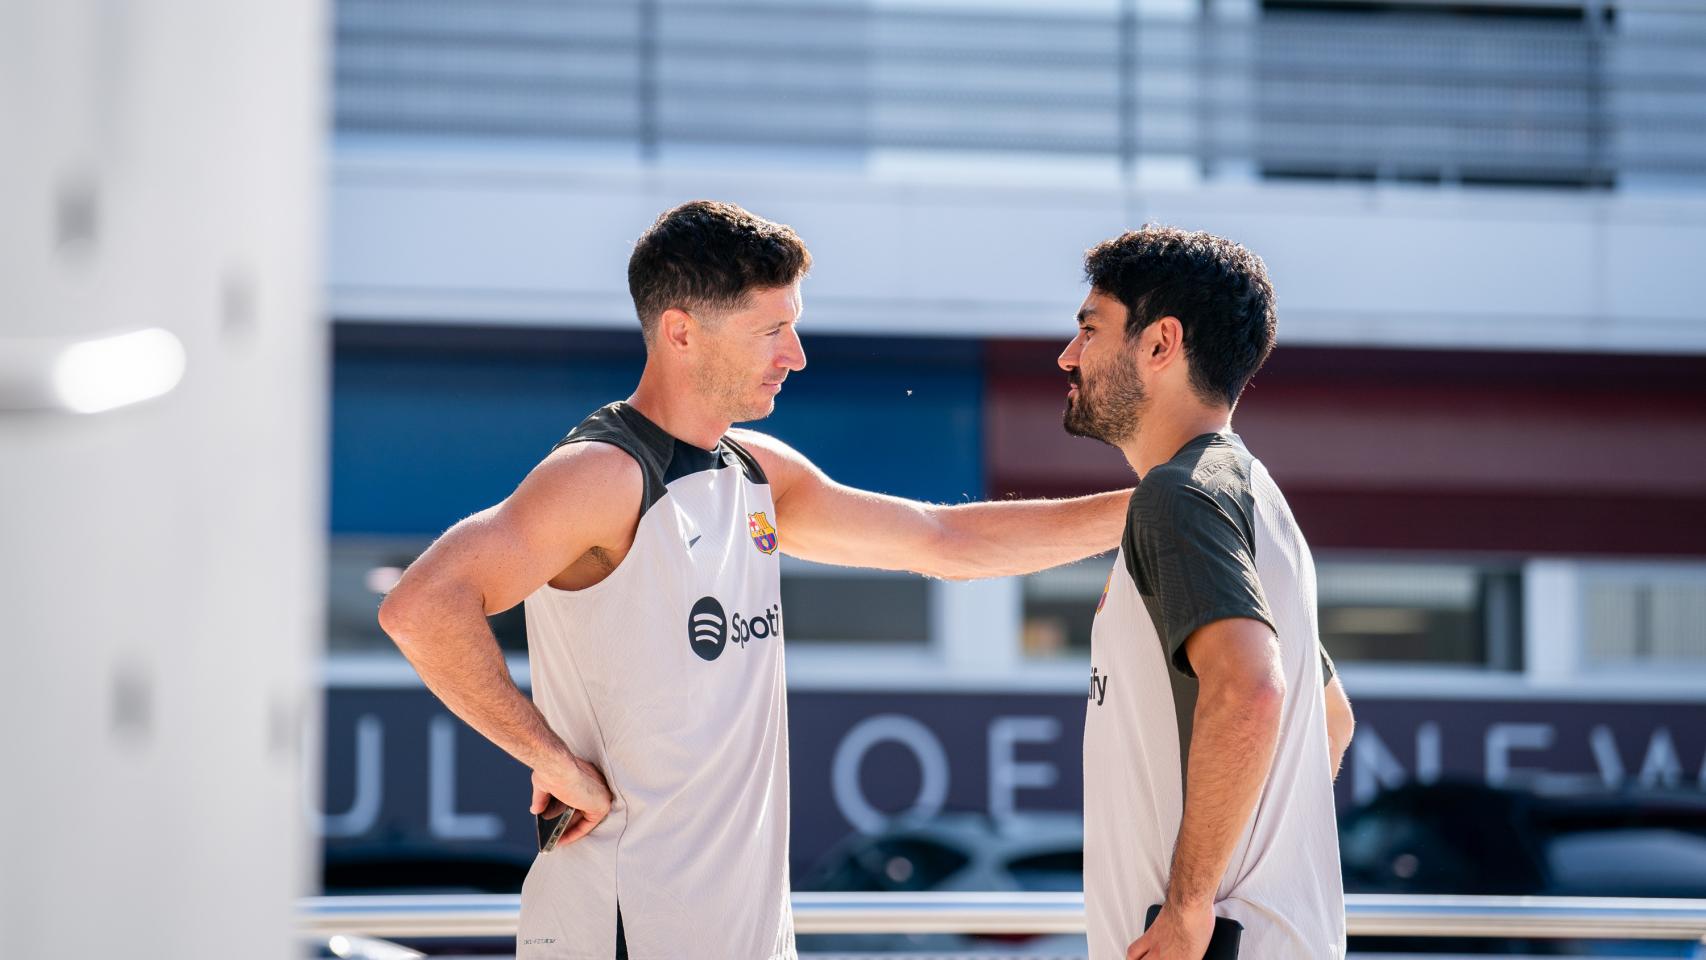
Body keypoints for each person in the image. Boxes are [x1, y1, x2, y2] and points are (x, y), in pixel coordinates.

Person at [376, 200, 1133, 960]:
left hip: (748, 931)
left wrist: (1152, 504)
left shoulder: (754, 472)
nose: (795, 355)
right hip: (627, 926)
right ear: (681, 332)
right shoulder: (603, 475)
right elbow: (422, 606)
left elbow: (945, 539)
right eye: (772, 330)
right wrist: (550, 759)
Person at [1058, 225, 1356, 960]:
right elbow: (1331, 719)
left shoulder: (1179, 496)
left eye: (1090, 330)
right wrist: (1263, 863)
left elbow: (1251, 690)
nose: (1068, 356)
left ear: (1161, 343)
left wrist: (1191, 906)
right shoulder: (1255, 496)